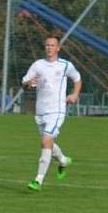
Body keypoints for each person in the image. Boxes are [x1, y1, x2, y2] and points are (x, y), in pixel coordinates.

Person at [22, 34, 81, 191]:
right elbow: (24, 83)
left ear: (58, 48)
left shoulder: (65, 65)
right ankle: (62, 160)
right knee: (48, 142)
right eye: (47, 45)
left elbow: (77, 78)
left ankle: (38, 180)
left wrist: (74, 94)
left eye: (53, 45)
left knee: (45, 141)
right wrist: (28, 84)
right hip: (40, 111)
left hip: (57, 110)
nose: (49, 48)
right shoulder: (38, 65)